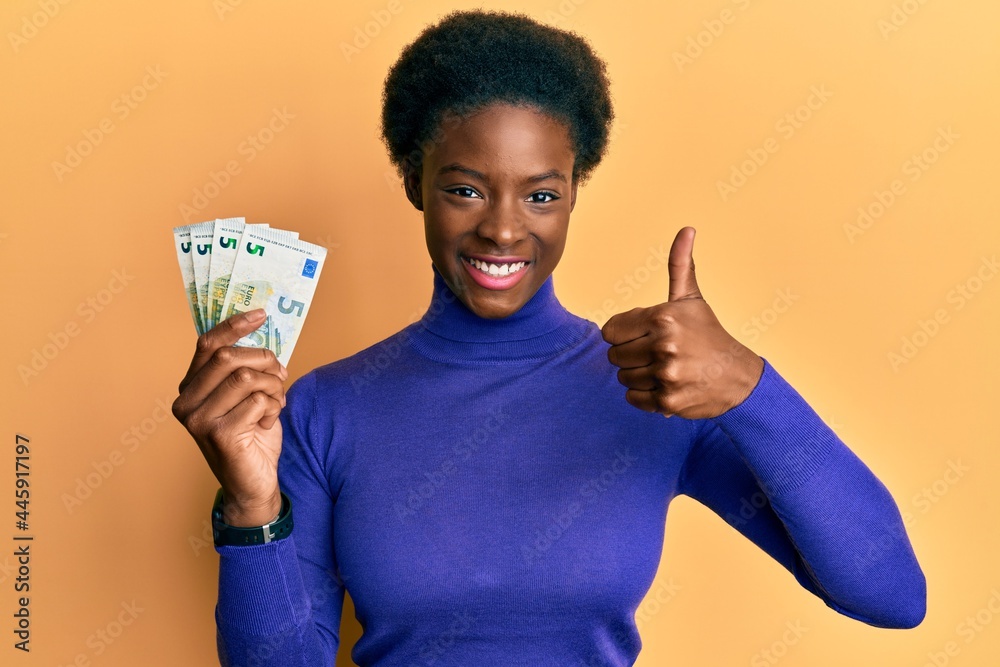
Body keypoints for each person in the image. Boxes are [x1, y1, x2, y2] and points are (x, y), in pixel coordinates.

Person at [171, 9, 926, 666]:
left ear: (573, 193)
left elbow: (890, 593)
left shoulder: (651, 387)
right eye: (464, 188)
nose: (502, 227)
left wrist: (752, 388)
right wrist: (250, 503)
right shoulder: (326, 408)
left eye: (540, 194)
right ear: (414, 181)